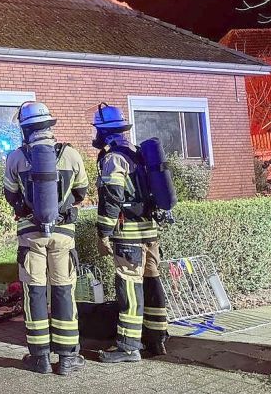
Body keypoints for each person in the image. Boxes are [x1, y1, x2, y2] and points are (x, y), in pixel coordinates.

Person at [3, 101, 91, 375]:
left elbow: (10, 194)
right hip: (63, 236)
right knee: (64, 291)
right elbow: (81, 192)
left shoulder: (16, 157)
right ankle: (67, 359)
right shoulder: (71, 155)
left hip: (31, 237)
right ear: (49, 126)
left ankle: (39, 357)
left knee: (35, 292)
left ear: (26, 129)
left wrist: (27, 209)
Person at [92, 103, 169, 363]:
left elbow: (112, 197)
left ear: (104, 132)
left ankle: (128, 346)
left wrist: (103, 232)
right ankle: (157, 339)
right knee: (151, 281)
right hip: (150, 231)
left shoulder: (114, 157)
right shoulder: (136, 153)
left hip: (129, 236)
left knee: (129, 285)